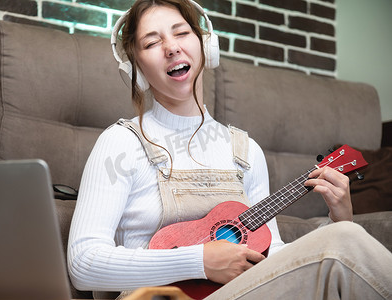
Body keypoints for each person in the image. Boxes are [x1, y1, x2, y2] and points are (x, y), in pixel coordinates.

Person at [67, 0, 392, 299]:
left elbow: (272, 255)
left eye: (181, 33)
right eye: (152, 43)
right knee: (343, 243)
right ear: (135, 68)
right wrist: (199, 261)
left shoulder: (245, 150)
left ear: (206, 46)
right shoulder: (121, 142)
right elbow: (84, 263)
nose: (171, 47)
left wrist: (340, 222)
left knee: (342, 239)